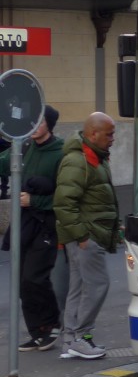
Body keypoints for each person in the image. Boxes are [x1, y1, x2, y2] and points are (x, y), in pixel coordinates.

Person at [54, 112, 120, 360]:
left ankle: (71, 340)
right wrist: (82, 237)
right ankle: (81, 337)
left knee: (79, 288)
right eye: (109, 134)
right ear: (93, 134)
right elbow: (63, 204)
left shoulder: (94, 157)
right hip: (86, 237)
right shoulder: (80, 160)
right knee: (97, 286)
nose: (113, 138)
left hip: (85, 236)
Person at [1, 106, 64, 352]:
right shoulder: (24, 147)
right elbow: (3, 163)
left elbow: (66, 196)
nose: (34, 126)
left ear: (49, 124)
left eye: (39, 122)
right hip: (24, 224)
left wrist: (35, 201)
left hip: (47, 226)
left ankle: (52, 325)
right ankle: (37, 332)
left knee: (34, 277)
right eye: (32, 122)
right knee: (20, 281)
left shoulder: (60, 152)